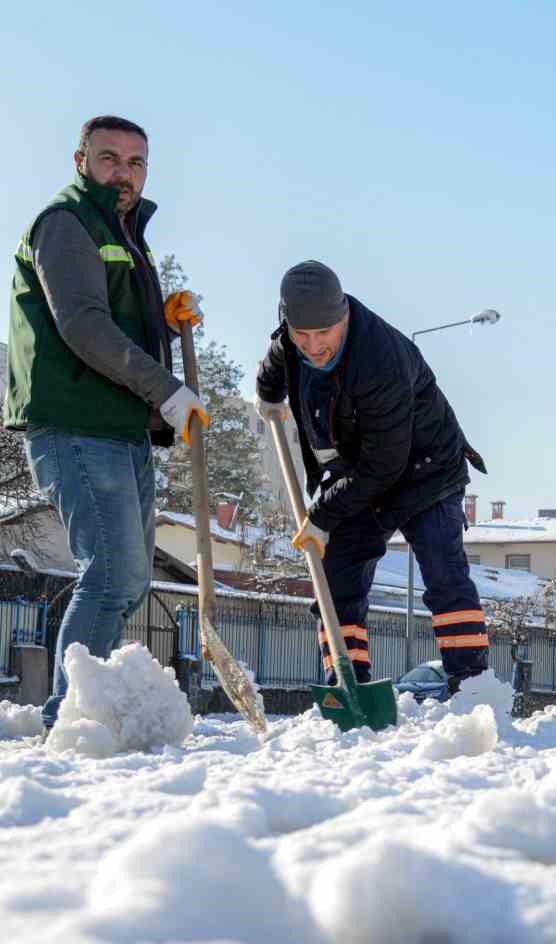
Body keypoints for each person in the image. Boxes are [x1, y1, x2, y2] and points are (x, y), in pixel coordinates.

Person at [6, 115, 207, 732]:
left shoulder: (120, 230)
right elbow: (85, 326)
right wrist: (167, 390)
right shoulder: (66, 224)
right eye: (110, 158)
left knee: (132, 578)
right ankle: (70, 716)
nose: (123, 172)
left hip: (119, 425)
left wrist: (165, 318)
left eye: (135, 162)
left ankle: (90, 703)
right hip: (75, 420)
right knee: (112, 571)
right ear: (80, 160)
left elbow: (115, 316)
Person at [255, 262, 489, 694]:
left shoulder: (381, 358)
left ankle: (471, 685)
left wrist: (321, 516)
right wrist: (268, 398)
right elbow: (273, 370)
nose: (313, 347)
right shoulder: (291, 343)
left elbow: (384, 465)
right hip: (357, 474)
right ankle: (348, 685)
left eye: (323, 333)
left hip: (425, 469)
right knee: (337, 578)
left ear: (342, 315)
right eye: (302, 335)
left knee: (443, 571)